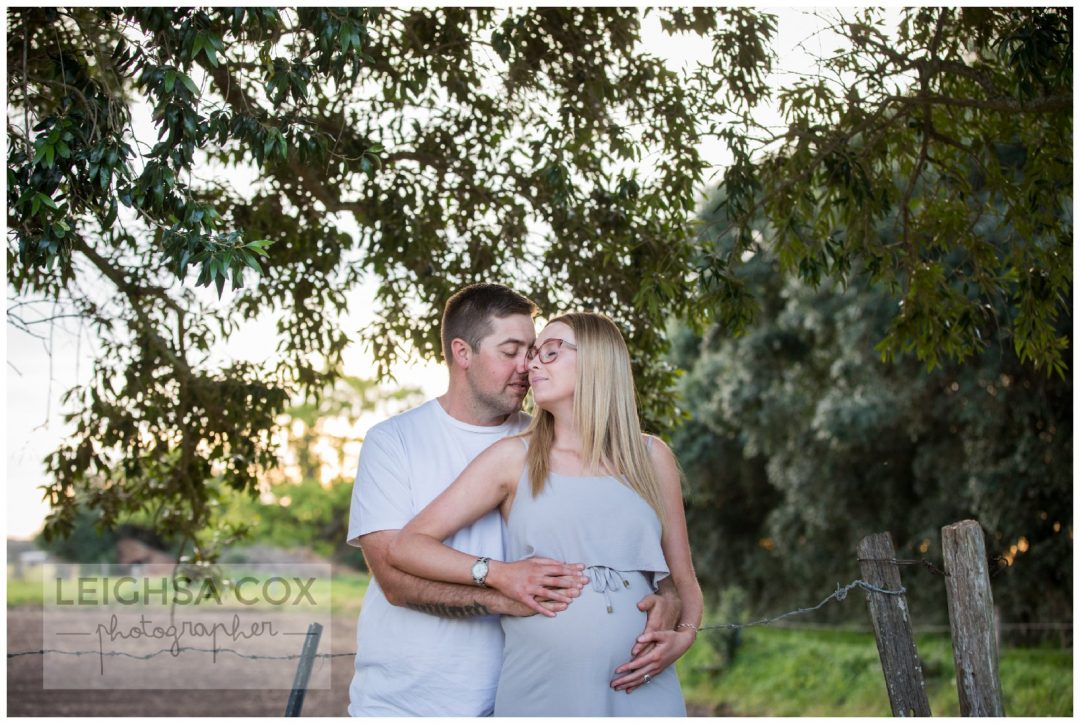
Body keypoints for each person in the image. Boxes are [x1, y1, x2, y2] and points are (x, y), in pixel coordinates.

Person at [347, 286, 681, 716]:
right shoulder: (395, 441)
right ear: (462, 352)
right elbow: (395, 580)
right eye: (512, 350)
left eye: (537, 350)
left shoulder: (550, 435)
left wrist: (671, 600)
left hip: (516, 687)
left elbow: (637, 547)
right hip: (412, 700)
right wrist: (502, 586)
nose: (527, 365)